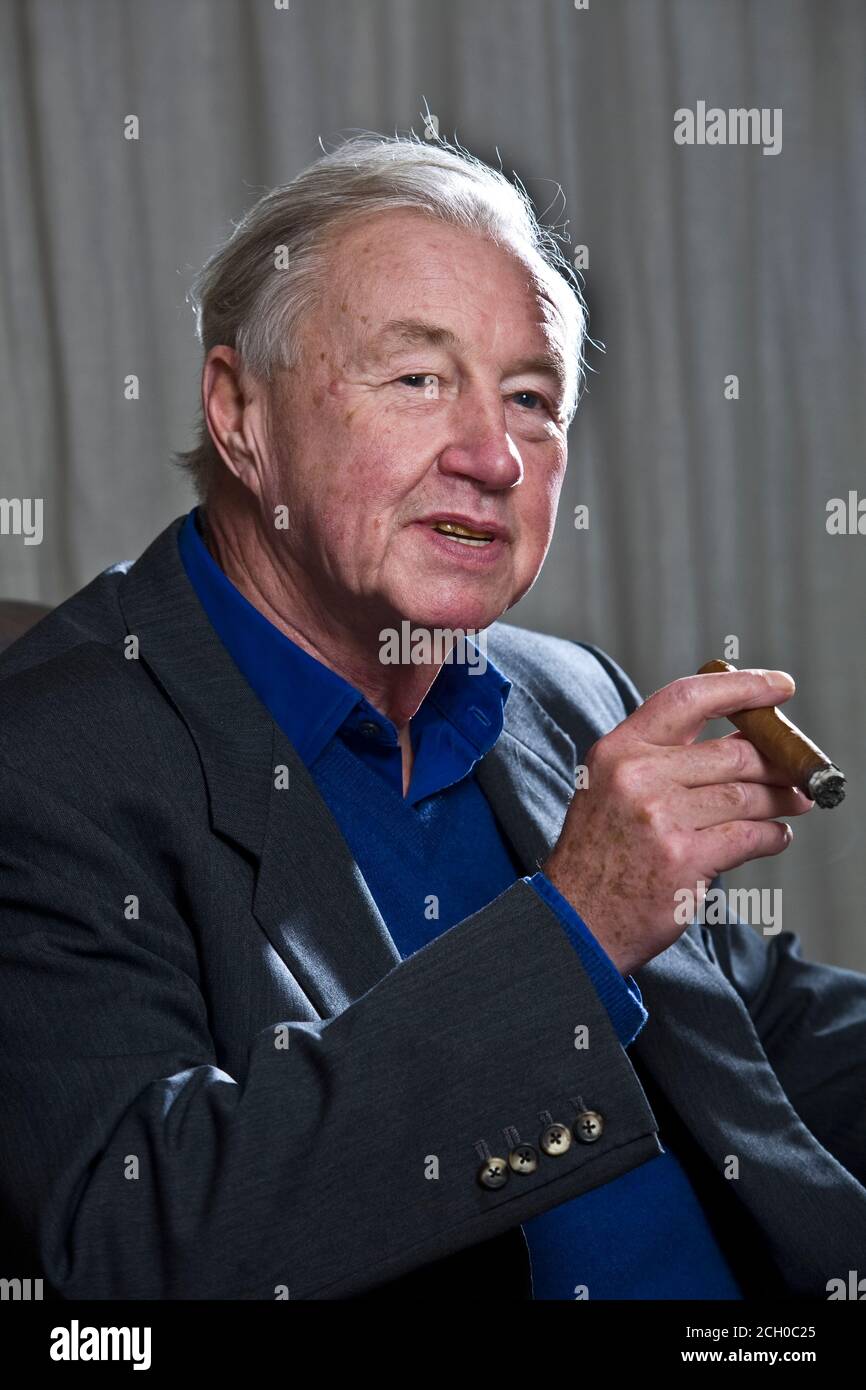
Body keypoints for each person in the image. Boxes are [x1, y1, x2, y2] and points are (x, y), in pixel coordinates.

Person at [1, 133, 863, 1301]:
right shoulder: (47, 760)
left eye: (530, 398)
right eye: (415, 378)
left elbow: (757, 1038)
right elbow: (135, 1243)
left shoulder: (565, 691)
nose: (494, 456)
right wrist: (574, 932)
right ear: (238, 413)